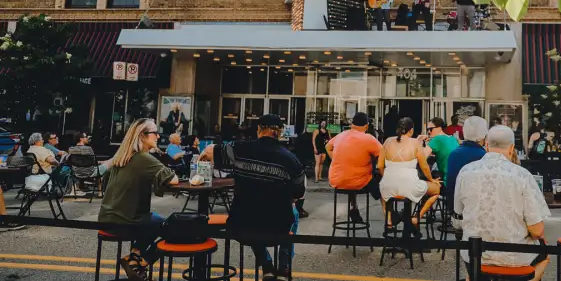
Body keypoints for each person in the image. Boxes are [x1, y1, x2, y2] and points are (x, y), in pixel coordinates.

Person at [201, 114, 305, 277]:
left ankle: (266, 265)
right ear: (279, 133)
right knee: (294, 213)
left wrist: (202, 159)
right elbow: (299, 192)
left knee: (251, 215)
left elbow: (209, 151)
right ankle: (284, 267)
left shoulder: (239, 149)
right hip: (277, 228)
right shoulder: (291, 160)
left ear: (259, 130)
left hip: (240, 226)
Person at [454, 126, 550, 278]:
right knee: (545, 256)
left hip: (475, 255)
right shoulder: (522, 175)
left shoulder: (465, 171)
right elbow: (537, 231)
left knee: (472, 269)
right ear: (512, 148)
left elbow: (458, 211)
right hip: (515, 257)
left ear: (486, 145)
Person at [99, 118, 178, 281]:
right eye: (154, 133)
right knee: (174, 230)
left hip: (107, 218)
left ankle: (135, 257)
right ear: (142, 136)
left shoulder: (121, 157)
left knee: (152, 219)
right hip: (127, 221)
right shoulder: (143, 158)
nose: (158, 136)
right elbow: (173, 180)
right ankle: (141, 262)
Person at [378, 117, 440, 231]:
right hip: (409, 186)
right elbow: (425, 167)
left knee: (383, 192)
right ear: (411, 130)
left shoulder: (387, 141)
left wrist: (387, 178)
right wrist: (432, 180)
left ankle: (389, 221)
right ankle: (416, 217)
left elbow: (379, 166)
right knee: (437, 189)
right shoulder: (415, 143)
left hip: (388, 185)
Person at [325, 112, 382, 223]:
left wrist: (336, 159)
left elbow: (327, 147)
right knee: (382, 184)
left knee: (353, 178)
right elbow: (384, 154)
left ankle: (353, 208)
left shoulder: (341, 135)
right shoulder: (368, 138)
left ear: (352, 124)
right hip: (357, 181)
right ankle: (390, 215)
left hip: (336, 180)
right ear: (366, 126)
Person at [445, 116, 488, 210]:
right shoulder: (483, 155)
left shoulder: (454, 153)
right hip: (475, 208)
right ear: (484, 135)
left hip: (455, 207)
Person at [423, 117, 459, 183]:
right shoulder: (453, 139)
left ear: (439, 127)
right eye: (427, 129)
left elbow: (422, 157)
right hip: (456, 180)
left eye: (431, 129)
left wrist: (418, 142)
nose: (428, 132)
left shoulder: (437, 139)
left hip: (446, 181)